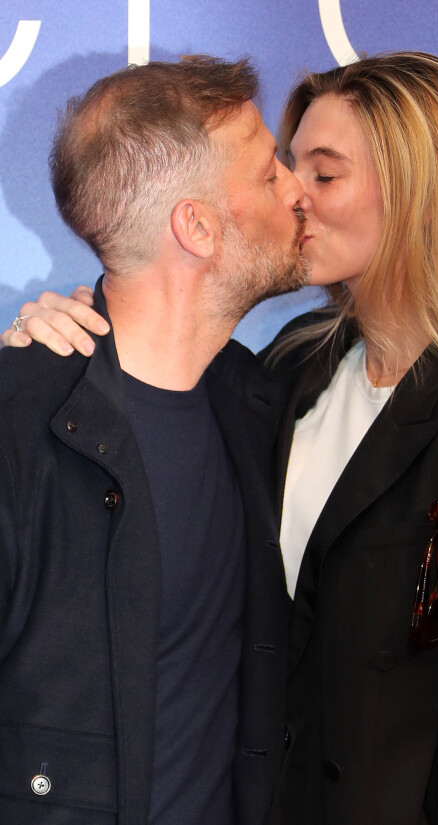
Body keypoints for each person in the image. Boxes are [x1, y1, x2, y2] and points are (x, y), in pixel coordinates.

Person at [4, 52, 438, 825]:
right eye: (282, 166)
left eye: (323, 172)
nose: (295, 196)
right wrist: (56, 337)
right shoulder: (280, 376)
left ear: (416, 197)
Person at [0, 55, 310, 825]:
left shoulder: (258, 402)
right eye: (271, 171)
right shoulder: (16, 427)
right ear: (196, 226)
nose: (298, 190)